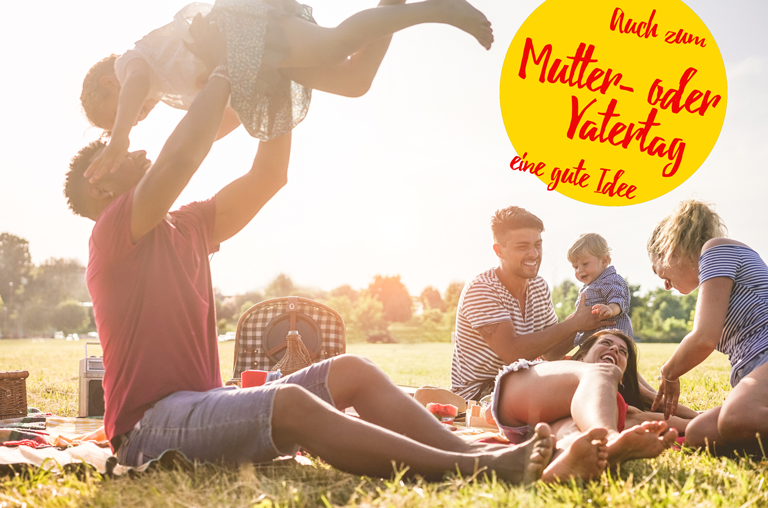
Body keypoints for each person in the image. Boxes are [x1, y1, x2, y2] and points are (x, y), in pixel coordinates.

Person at [62, 18, 605, 483]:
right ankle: (478, 472)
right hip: (149, 427)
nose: (135, 150)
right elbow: (182, 157)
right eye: (121, 155)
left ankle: (484, 453)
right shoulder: (112, 232)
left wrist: (274, 81)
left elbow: (269, 174)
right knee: (292, 403)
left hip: (204, 405)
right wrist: (232, 63)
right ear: (101, 185)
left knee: (350, 370)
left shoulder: (188, 225)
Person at [80, 0, 494, 181]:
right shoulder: (169, 90)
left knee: (335, 43)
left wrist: (120, 139)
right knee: (355, 81)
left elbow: (133, 85)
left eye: (122, 113)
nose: (136, 117)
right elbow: (221, 120)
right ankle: (396, 1)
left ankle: (440, 8)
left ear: (106, 83)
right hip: (257, 66)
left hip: (238, 30)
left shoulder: (131, 64)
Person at [449, 206, 614, 401]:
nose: (534, 254)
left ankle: (649, 410)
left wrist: (590, 320)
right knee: (585, 385)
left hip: (523, 380)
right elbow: (513, 353)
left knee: (603, 370)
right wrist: (574, 324)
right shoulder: (481, 290)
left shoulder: (538, 286)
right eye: (523, 247)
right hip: (480, 393)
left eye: (538, 245)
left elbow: (552, 352)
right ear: (499, 251)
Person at [648, 199, 768, 455]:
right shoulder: (714, 279)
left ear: (670, 249)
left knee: (736, 419)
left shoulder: (716, 249)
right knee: (699, 433)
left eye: (659, 271)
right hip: (755, 370)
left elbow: (704, 338)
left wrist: (669, 372)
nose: (665, 286)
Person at [488, 330, 682, 471]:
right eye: (606, 343)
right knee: (601, 379)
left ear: (622, 378)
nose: (615, 348)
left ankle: (563, 462)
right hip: (517, 391)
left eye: (623, 352)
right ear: (580, 356)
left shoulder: (603, 406)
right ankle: (608, 438)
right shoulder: (578, 369)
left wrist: (702, 419)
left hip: (538, 430)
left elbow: (641, 418)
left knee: (574, 433)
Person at [567, 233, 634, 347]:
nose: (579, 270)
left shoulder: (610, 280)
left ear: (604, 261)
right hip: (594, 337)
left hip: (612, 335)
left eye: (585, 263)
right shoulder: (589, 286)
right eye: (575, 267)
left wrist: (610, 309)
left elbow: (618, 298)